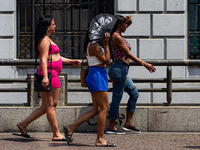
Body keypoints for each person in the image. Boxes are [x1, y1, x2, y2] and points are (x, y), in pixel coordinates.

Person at [16, 15, 81, 141]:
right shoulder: (45, 41)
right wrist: (46, 77)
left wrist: (71, 61)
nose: (55, 26)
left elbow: (56, 57)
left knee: (46, 107)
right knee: (51, 106)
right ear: (47, 27)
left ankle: (22, 124)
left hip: (52, 74)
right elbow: (44, 59)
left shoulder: (48, 39)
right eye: (53, 24)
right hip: (50, 75)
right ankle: (56, 134)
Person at [63, 30, 115, 147]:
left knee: (97, 109)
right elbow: (107, 60)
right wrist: (106, 44)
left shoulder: (92, 45)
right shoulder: (94, 46)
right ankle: (100, 139)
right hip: (97, 75)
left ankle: (71, 127)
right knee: (104, 107)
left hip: (96, 74)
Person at [106, 15, 156, 134]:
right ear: (119, 25)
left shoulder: (119, 35)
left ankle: (128, 123)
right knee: (117, 98)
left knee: (134, 94)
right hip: (119, 69)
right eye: (125, 24)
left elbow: (128, 24)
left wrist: (128, 20)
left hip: (123, 69)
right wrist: (144, 64)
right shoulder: (116, 37)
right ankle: (111, 126)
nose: (127, 27)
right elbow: (128, 54)